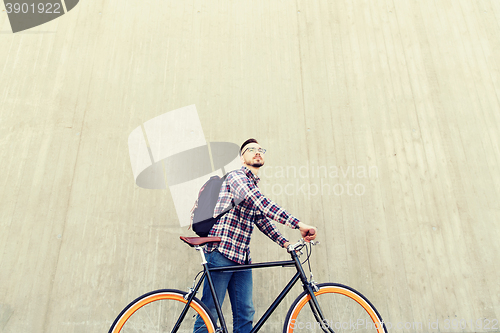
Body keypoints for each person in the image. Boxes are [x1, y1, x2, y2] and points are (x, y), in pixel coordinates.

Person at [193, 138, 317, 333]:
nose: (257, 152)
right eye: (251, 150)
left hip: (242, 258)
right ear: (242, 158)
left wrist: (285, 243)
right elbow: (260, 203)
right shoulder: (236, 178)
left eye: (261, 149)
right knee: (208, 315)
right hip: (221, 252)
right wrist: (298, 224)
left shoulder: (252, 185)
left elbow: (261, 219)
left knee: (245, 314)